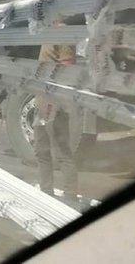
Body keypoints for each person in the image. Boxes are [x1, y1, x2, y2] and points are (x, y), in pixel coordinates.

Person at [33, 40, 79, 204]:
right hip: (42, 102)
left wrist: (57, 100)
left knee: (62, 151)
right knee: (41, 149)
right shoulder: (48, 33)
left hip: (54, 102)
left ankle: (71, 196)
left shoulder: (63, 36)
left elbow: (67, 67)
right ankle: (46, 192)